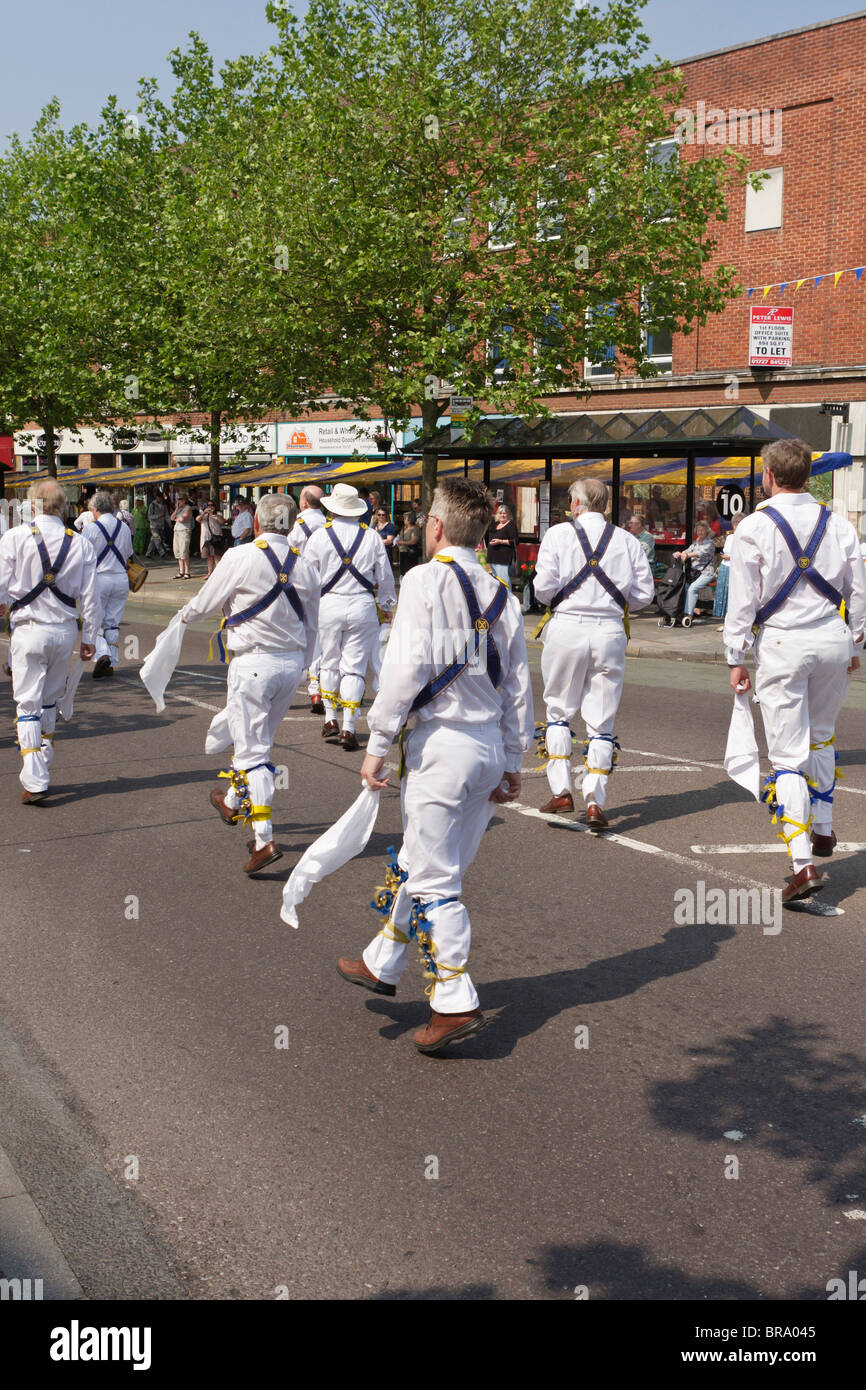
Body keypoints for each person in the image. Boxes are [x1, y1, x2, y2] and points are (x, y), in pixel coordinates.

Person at [337, 478, 534, 1054]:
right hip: (483, 748)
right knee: (424, 860)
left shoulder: (422, 581)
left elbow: (404, 669)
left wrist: (376, 740)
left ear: (437, 528)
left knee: (434, 878)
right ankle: (383, 959)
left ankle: (453, 1001)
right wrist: (514, 759)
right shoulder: (505, 595)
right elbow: (517, 686)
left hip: (442, 746)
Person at [725, 438, 865, 904]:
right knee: (822, 735)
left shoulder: (754, 527)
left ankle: (803, 864)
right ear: (808, 473)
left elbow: (742, 602)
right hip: (831, 638)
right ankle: (822, 827)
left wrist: (736, 655)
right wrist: (857, 640)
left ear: (768, 474)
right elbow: (858, 590)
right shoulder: (839, 524)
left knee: (787, 756)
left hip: (784, 643)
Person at [177, 492, 319, 874]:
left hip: (253, 664)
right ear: (290, 526)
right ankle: (232, 803)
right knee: (256, 742)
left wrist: (182, 618)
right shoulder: (305, 566)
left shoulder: (240, 557)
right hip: (290, 667)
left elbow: (204, 604)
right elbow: (312, 626)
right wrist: (304, 667)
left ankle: (264, 839)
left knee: (254, 752)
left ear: (256, 523)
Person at [532, 477, 655, 828]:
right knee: (601, 719)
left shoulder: (558, 535)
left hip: (568, 628)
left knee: (558, 709)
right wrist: (612, 602)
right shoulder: (627, 540)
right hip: (609, 632)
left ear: (576, 504)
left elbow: (542, 589)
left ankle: (561, 790)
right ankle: (594, 802)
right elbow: (644, 594)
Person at [0, 478, 99, 803]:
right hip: (64, 631)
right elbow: (91, 597)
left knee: (27, 704)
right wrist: (91, 637)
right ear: (65, 508)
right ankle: (41, 766)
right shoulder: (81, 543)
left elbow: (1, 584)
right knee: (47, 703)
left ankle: (37, 778)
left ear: (32, 506)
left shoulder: (14, 538)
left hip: (28, 629)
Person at [304, 483, 396, 750]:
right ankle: (349, 727)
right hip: (362, 606)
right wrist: (387, 605)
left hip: (328, 606)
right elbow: (386, 577)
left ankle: (330, 718)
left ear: (333, 508)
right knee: (354, 666)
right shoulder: (371, 538)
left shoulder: (320, 536)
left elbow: (308, 577)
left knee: (330, 662)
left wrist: (307, 606)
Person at [82, 490, 133, 679]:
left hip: (99, 578)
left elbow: (83, 557)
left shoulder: (91, 529)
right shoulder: (124, 527)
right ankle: (110, 659)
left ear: (96, 509)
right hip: (120, 578)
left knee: (94, 620)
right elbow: (128, 554)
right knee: (112, 622)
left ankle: (102, 654)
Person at [289, 485, 327, 713]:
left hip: (299, 588)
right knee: (321, 641)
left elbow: (285, 553)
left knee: (295, 637)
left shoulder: (296, 526)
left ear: (303, 503)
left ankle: (290, 684)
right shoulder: (330, 526)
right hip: (328, 588)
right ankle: (317, 688)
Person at [673, 521, 716, 619]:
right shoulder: (696, 542)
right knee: (685, 587)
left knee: (692, 589)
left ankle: (688, 615)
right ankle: (687, 610)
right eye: (698, 530)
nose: (700, 532)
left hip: (706, 573)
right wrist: (681, 553)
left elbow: (699, 553)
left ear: (707, 531)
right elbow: (688, 550)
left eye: (702, 530)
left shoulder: (710, 543)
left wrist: (687, 555)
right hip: (694, 573)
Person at [713, 512, 744, 628]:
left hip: (736, 569)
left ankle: (733, 622)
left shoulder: (745, 538)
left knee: (733, 596)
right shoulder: (730, 537)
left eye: (740, 522)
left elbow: (746, 555)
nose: (737, 524)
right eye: (735, 522)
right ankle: (725, 622)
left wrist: (731, 557)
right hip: (725, 567)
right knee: (724, 594)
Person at [485, 502, 519, 586]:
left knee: (504, 582)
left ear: (508, 514)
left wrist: (500, 541)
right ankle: (500, 598)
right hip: (493, 558)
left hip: (503, 559)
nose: (502, 515)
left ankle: (508, 598)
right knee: (496, 583)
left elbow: (516, 541)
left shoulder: (510, 524)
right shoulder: (495, 524)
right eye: (500, 513)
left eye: (504, 513)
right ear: (497, 514)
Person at [197, 500, 224, 578]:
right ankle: (210, 573)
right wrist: (204, 513)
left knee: (216, 556)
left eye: (212, 505)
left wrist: (213, 514)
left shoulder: (218, 514)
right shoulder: (204, 515)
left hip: (215, 538)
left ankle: (219, 574)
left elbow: (221, 521)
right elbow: (197, 519)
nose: (210, 507)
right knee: (209, 557)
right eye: (208, 505)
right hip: (206, 538)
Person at [171, 495, 194, 578]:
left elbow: (182, 519)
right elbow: (172, 517)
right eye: (178, 499)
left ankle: (187, 572)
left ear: (185, 500)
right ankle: (181, 571)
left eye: (180, 499)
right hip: (177, 530)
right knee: (177, 551)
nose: (178, 501)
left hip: (184, 530)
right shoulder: (179, 509)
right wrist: (176, 509)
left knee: (184, 550)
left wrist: (176, 519)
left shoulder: (188, 508)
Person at [395, 509, 422, 575]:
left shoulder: (415, 529)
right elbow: (400, 537)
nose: (403, 520)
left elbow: (413, 541)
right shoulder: (404, 528)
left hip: (410, 554)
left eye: (405, 518)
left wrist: (402, 543)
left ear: (409, 519)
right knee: (403, 571)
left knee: (409, 571)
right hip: (402, 553)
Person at [146, 493, 168, 558]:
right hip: (153, 526)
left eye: (161, 498)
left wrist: (169, 523)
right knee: (157, 538)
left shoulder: (164, 505)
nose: (160, 499)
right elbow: (149, 516)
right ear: (156, 497)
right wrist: (158, 516)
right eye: (159, 498)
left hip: (161, 525)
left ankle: (148, 553)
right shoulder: (152, 505)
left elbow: (166, 515)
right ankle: (162, 553)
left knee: (153, 539)